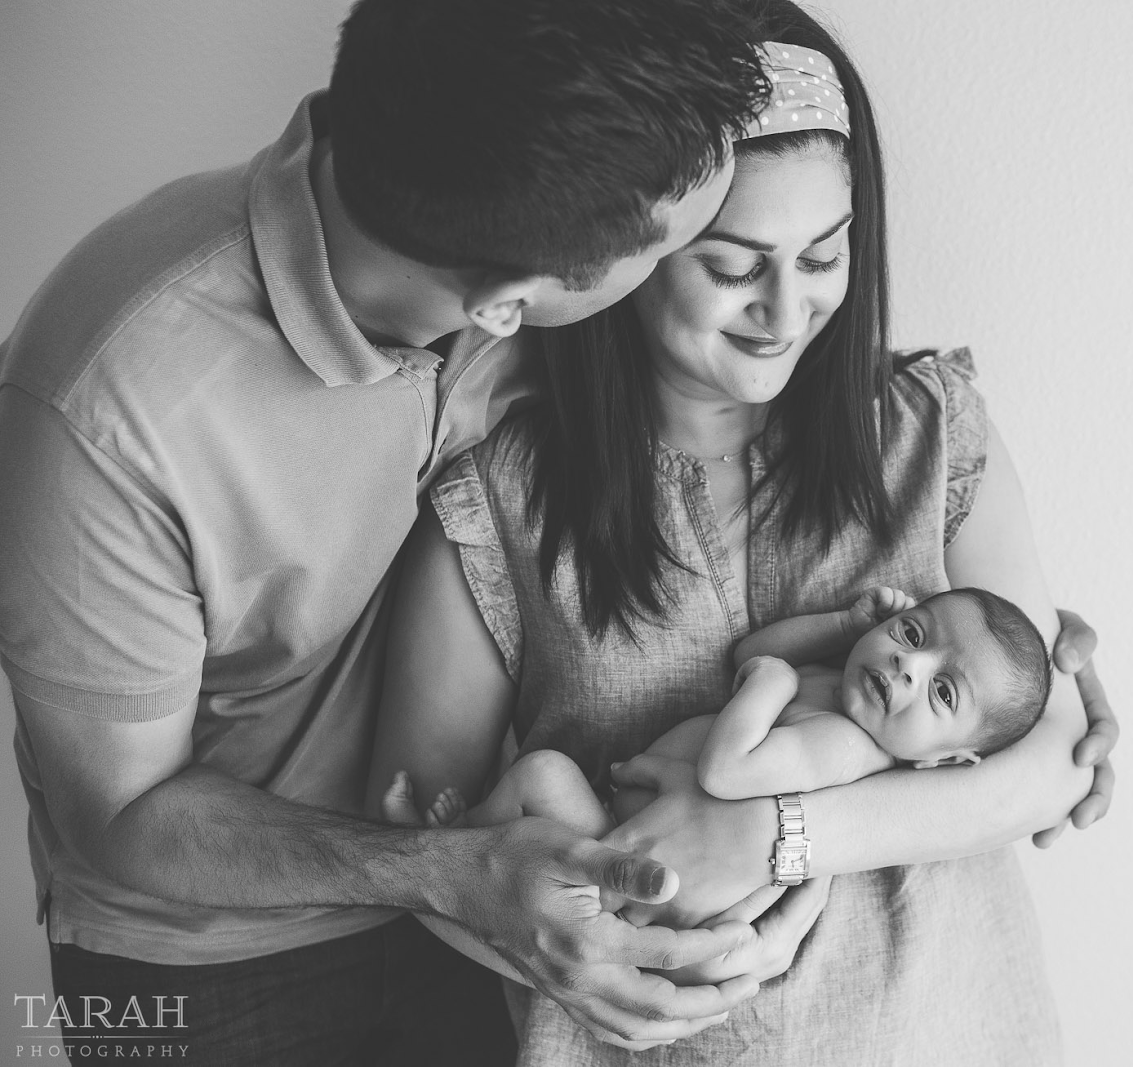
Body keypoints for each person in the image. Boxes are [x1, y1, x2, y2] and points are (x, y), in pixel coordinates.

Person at [0, 1, 787, 1061]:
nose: (699, 273)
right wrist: (441, 868)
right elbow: (123, 811)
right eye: (680, 250)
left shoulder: (502, 231)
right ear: (513, 302)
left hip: (471, 900)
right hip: (190, 969)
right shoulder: (102, 413)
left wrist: (1017, 664)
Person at [369, 9, 1111, 1062]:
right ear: (631, 251)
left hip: (944, 1028)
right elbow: (423, 843)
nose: (783, 308)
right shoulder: (499, 503)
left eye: (824, 255)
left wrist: (772, 832)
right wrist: (555, 950)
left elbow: (1052, 759)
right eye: (732, 265)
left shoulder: (929, 436)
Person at [383, 585, 1052, 839]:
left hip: (622, 841)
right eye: (913, 631)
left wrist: (772, 682)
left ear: (944, 760)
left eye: (943, 692)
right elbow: (751, 652)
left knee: (540, 775)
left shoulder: (845, 747)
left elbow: (728, 771)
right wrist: (843, 623)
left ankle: (452, 841)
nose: (911, 664)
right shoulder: (842, 689)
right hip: (618, 814)